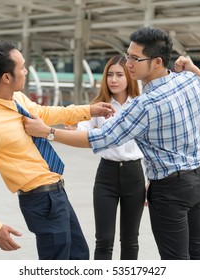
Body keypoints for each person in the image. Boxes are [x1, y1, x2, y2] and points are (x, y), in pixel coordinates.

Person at [23, 26, 200, 260]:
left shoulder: (143, 105)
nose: (128, 63)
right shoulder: (189, 81)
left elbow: (101, 138)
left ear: (157, 62)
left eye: (135, 58)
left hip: (169, 189)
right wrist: (193, 69)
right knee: (199, 247)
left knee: (176, 259)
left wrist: (48, 132)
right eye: (128, 55)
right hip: (199, 179)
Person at [0, 41, 114, 260]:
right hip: (41, 200)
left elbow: (46, 113)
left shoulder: (17, 99)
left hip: (57, 192)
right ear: (6, 77)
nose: (25, 70)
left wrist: (88, 110)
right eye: (22, 66)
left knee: (79, 256)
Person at [68, 55, 145, 260]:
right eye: (110, 74)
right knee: (103, 240)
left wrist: (151, 181)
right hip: (106, 176)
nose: (113, 79)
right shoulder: (98, 107)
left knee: (130, 240)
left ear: (129, 77)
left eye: (119, 74)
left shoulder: (140, 105)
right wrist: (74, 128)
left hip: (134, 175)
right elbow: (83, 129)